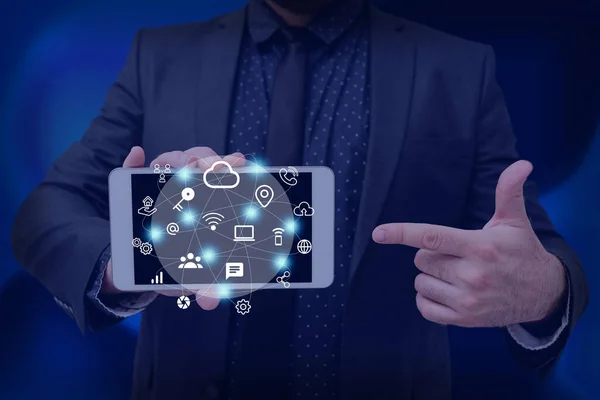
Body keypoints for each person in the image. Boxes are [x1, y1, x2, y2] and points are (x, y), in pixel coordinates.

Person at [11, 0, 588, 399]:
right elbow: (46, 210)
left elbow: (534, 249)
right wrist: (128, 263)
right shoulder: (159, 56)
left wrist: (544, 290)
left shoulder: (457, 68)